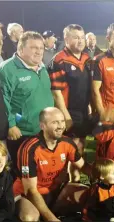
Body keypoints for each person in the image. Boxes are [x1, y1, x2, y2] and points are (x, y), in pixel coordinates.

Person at [13, 107, 91, 221]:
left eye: (62, 121)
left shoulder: (67, 142)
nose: (60, 126)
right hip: (27, 194)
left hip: (55, 191)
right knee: (29, 217)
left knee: (90, 194)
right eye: (55, 122)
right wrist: (52, 219)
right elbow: (30, 191)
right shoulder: (29, 148)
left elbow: (84, 167)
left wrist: (103, 173)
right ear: (42, 126)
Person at [0, 31, 54, 171]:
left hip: (43, 130)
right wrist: (10, 125)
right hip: (22, 133)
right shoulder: (5, 70)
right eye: (34, 48)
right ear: (20, 49)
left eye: (41, 48)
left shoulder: (42, 67)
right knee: (23, 172)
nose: (39, 51)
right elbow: (2, 101)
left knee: (42, 168)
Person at [48, 24, 93, 182]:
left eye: (82, 37)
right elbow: (56, 92)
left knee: (81, 145)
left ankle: (74, 180)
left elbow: (87, 86)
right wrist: (66, 117)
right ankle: (68, 181)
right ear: (66, 39)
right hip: (68, 111)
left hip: (83, 111)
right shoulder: (60, 60)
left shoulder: (87, 58)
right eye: (75, 37)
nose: (80, 41)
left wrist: (89, 106)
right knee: (71, 148)